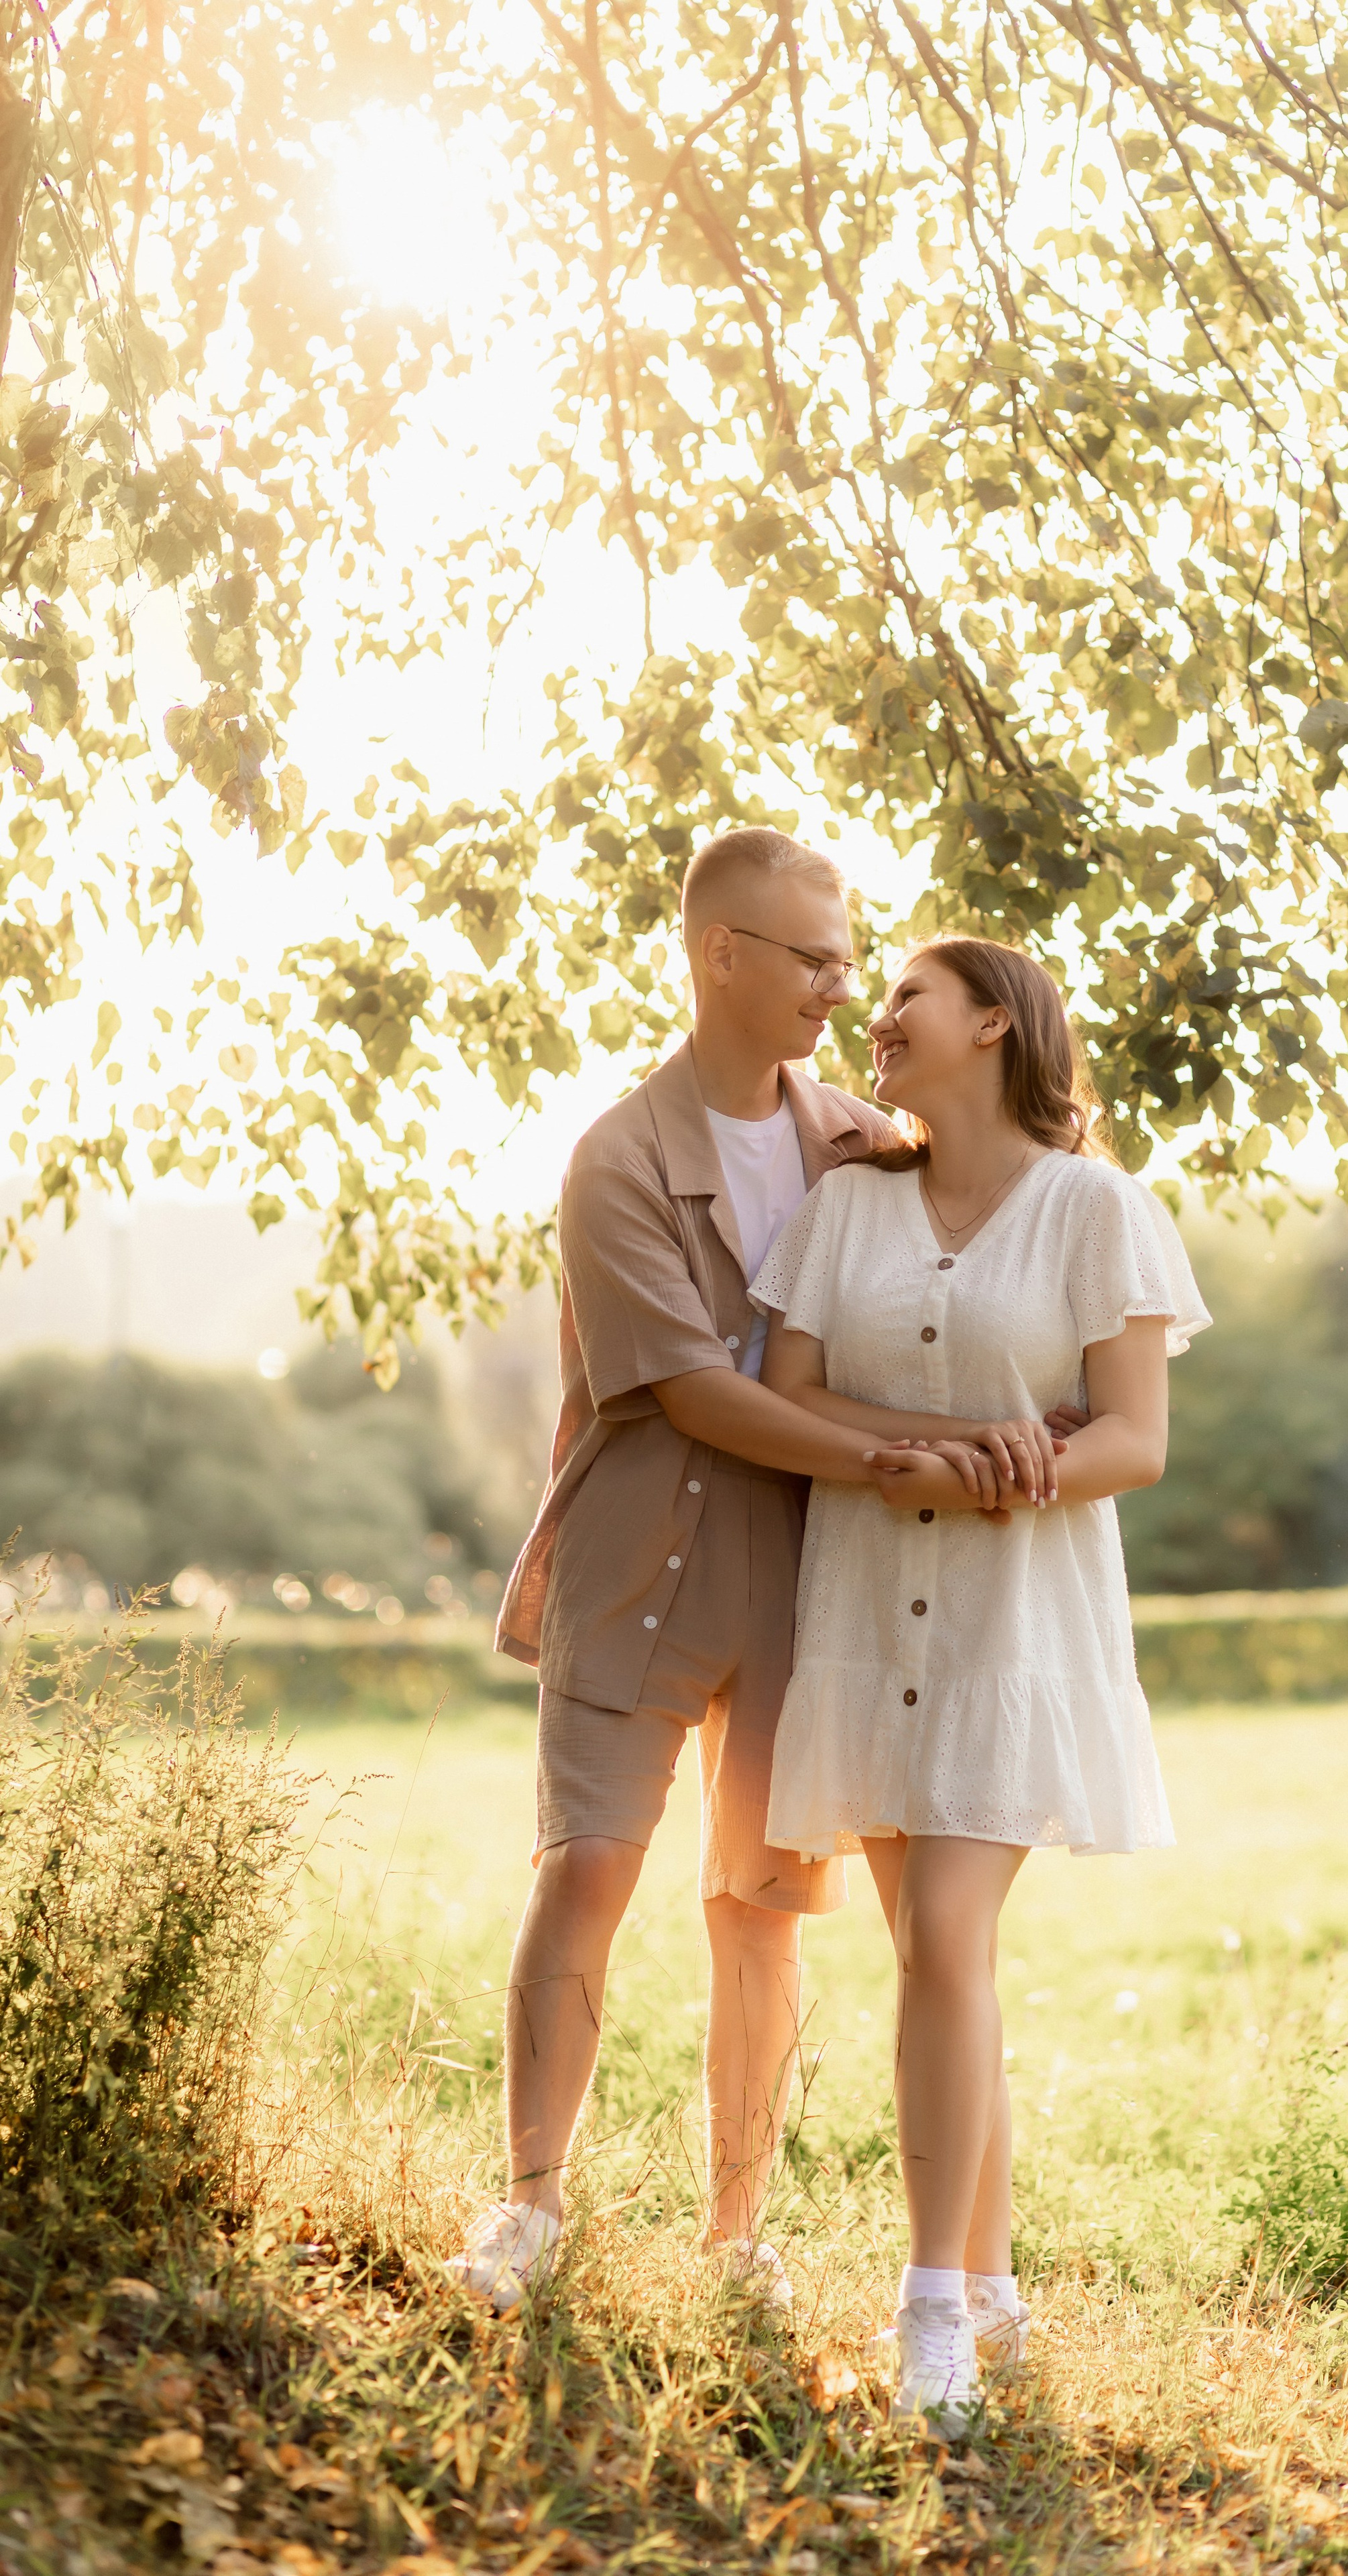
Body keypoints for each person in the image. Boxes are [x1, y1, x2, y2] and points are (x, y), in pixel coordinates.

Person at [748, 937, 1210, 2434]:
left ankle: (930, 2309)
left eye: (902, 1000)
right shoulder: (841, 1208)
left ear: (993, 1023)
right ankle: (996, 2286)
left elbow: (1133, 1440)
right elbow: (795, 1395)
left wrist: (1017, 1476)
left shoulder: (1096, 1208)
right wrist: (933, 1451)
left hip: (1016, 1624)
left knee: (944, 1940)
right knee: (938, 1962)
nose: (870, 1023)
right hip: (871, 1614)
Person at [447, 825, 901, 2312]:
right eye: (814, 958)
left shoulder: (860, 1139)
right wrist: (897, 1458)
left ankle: (734, 2238)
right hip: (638, 1549)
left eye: (847, 957)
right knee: (584, 1864)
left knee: (761, 1903)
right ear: (722, 954)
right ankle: (528, 2209)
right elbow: (693, 1391)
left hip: (801, 1568)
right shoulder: (615, 1158)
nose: (840, 985)